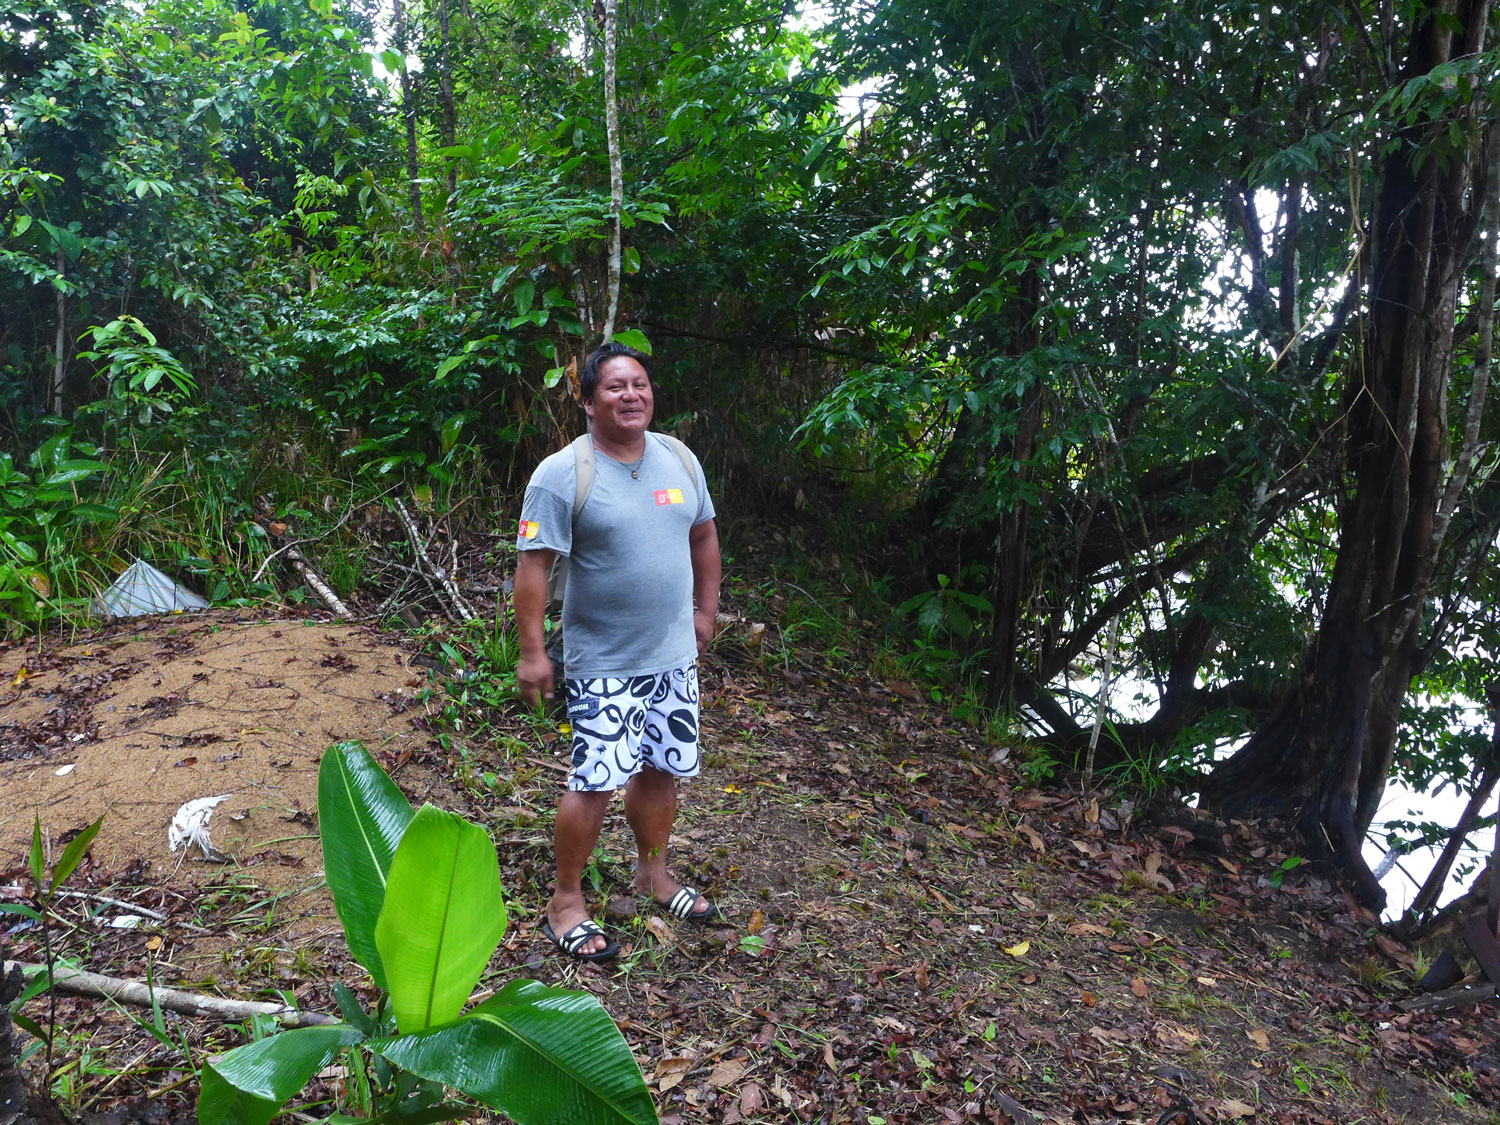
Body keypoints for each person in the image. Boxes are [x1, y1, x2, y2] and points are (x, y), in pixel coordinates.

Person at [513, 341, 722, 962]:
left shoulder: (679, 459)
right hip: (604, 662)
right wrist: (532, 652)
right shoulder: (562, 475)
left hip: (672, 659)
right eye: (614, 387)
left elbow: (705, 536)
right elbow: (533, 568)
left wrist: (705, 612)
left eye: (640, 384)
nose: (631, 395)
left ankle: (653, 875)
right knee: (595, 781)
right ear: (586, 401)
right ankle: (566, 902)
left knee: (662, 770)